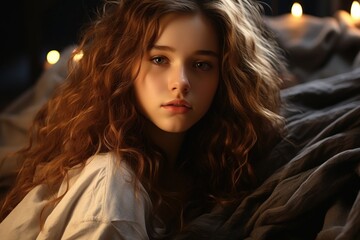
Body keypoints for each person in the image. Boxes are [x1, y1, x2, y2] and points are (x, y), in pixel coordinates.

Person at [0, 0, 285, 239]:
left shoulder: (203, 165)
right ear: (125, 67)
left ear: (224, 78)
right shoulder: (112, 191)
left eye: (201, 64)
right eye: (160, 59)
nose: (181, 83)